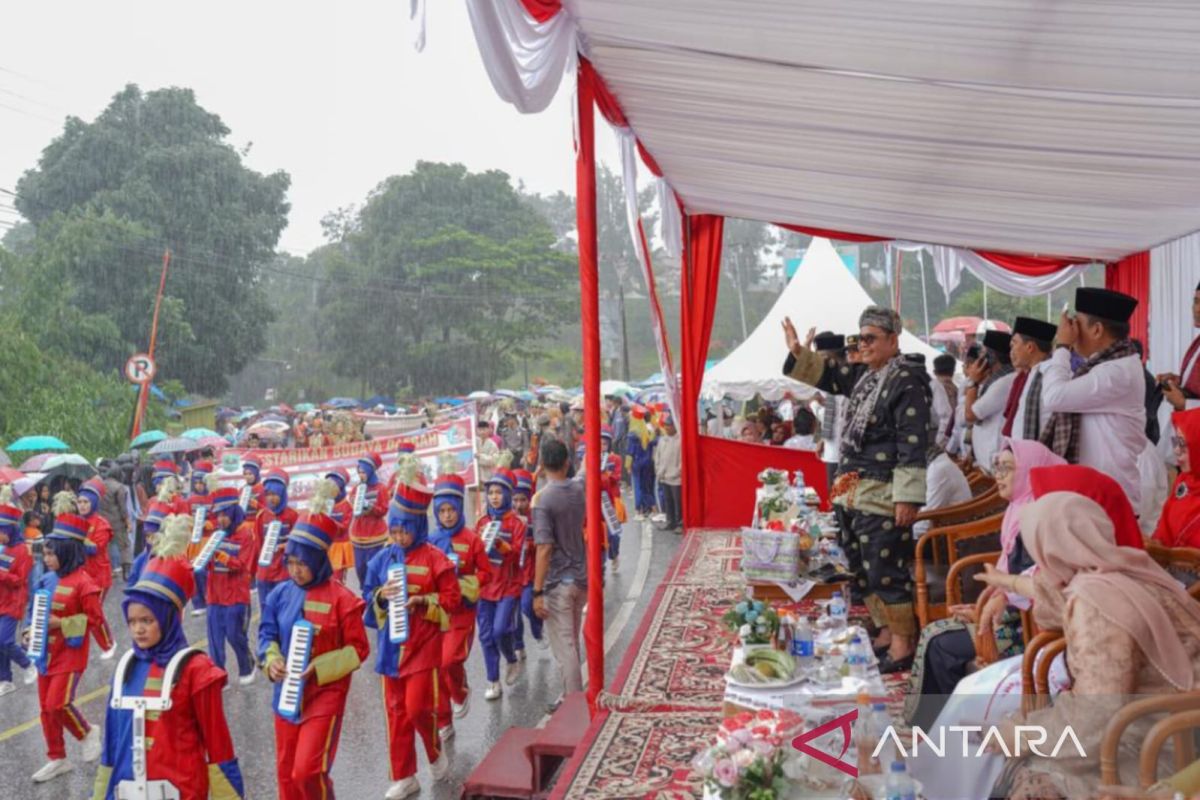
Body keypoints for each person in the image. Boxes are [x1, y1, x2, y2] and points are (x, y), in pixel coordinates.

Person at [979, 492, 1200, 800]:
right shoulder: (1124, 571)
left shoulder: (1096, 602)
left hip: (1155, 746)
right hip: (1174, 730)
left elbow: (1096, 714)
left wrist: (1026, 734)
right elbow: (1058, 602)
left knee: (1029, 777)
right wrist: (1009, 583)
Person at [782, 306, 931, 673]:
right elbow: (833, 375)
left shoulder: (907, 380)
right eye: (860, 338)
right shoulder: (867, 375)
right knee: (860, 565)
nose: (863, 345)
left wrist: (908, 498)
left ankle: (902, 643)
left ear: (893, 341)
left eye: (871, 338)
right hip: (852, 489)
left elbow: (913, 442)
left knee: (884, 567)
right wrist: (801, 355)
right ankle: (883, 631)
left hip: (882, 493)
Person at [905, 439, 1065, 727]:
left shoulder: (1043, 518)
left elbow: (1039, 583)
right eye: (997, 467)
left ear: (1031, 471)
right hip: (1010, 617)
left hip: (1030, 629)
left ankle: (943, 728)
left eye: (1007, 468)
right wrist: (989, 603)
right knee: (935, 634)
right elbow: (1008, 578)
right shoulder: (1019, 510)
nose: (998, 475)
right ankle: (931, 728)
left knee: (940, 643)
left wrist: (996, 605)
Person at [90, 526, 245, 800]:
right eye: (133, 621)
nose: (138, 630)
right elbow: (112, 742)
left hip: (181, 790)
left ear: (169, 617)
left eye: (147, 621)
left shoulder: (198, 670)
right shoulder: (126, 667)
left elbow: (218, 746)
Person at [259, 503, 369, 800]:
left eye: (302, 564)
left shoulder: (343, 599)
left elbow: (359, 650)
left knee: (307, 771)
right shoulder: (280, 593)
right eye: (291, 562)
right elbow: (266, 634)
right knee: (286, 773)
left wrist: (319, 667)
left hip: (325, 694)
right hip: (285, 693)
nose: (295, 570)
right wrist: (271, 660)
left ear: (319, 561)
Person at [363, 482, 460, 800]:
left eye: (404, 531)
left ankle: (433, 752)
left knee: (418, 709)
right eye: (394, 531)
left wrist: (423, 602)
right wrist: (380, 596)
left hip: (422, 647)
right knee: (396, 713)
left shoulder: (435, 558)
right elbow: (367, 596)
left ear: (418, 527)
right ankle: (405, 775)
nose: (398, 537)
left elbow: (452, 600)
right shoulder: (381, 560)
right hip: (390, 650)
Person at [28, 494, 113, 783]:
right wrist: (31, 628)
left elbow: (95, 620)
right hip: (44, 652)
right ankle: (57, 758)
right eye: (46, 554)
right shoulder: (47, 579)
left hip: (70, 654)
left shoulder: (84, 583)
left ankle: (88, 732)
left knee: (58, 704)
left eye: (52, 554)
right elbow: (37, 608)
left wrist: (62, 623)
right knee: (45, 710)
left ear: (67, 552)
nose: (47, 559)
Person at [1040, 286, 1146, 508]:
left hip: (1109, 501)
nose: (1071, 331)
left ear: (1097, 330)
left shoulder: (1118, 372)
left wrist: (1062, 346)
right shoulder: (1106, 365)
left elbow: (1054, 397)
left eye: (1076, 324)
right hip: (1093, 496)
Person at [430, 474, 491, 740]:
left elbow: (486, 573)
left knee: (449, 660)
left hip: (462, 612)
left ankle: (461, 690)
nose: (447, 516)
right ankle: (443, 720)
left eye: (451, 510)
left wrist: (465, 585)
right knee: (435, 666)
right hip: (436, 612)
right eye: (441, 511)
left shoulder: (472, 539)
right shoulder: (430, 541)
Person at [531, 439, 587, 710]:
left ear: (542, 465)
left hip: (558, 583)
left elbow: (543, 548)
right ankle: (571, 696)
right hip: (581, 577)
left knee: (565, 648)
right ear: (566, 462)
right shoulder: (578, 489)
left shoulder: (543, 501)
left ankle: (575, 707)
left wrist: (537, 591)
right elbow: (586, 472)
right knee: (572, 641)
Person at [474, 467, 527, 700]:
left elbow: (517, 555)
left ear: (507, 495)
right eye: (491, 492)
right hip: (485, 586)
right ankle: (493, 680)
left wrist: (499, 544)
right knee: (485, 635)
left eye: (499, 492)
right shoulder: (481, 522)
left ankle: (511, 659)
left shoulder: (517, 524)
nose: (494, 496)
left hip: (508, 586)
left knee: (499, 631)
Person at [202, 487, 257, 688]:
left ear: (234, 512)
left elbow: (242, 565)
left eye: (225, 514)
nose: (221, 519)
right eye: (218, 515)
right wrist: (205, 556)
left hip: (236, 596)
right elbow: (205, 565)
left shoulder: (246, 534)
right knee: (215, 639)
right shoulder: (216, 535)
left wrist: (221, 555)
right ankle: (219, 675)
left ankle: (247, 665)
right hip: (215, 595)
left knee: (235, 635)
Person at [963, 330, 1016, 474]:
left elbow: (970, 415)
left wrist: (972, 382)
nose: (980, 358)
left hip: (994, 462)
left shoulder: (1004, 382)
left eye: (984, 353)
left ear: (991, 357)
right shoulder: (996, 380)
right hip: (988, 461)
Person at [0, 488, 35, 695]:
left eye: (1, 532)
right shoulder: (4, 550)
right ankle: (5, 679)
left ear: (10, 531)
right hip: (1, 600)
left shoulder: (22, 551)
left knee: (4, 640)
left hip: (14, 602)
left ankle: (28, 664)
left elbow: (19, 581)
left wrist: (1, 575)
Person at [509, 468, 543, 659]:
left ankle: (538, 630)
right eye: (515, 500)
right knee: (513, 613)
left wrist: (527, 542)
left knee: (527, 606)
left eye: (523, 500)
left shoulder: (535, 516)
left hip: (529, 571)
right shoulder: (507, 518)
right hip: (512, 573)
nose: (519, 504)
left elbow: (542, 543)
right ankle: (519, 644)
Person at [1005, 316, 1057, 441]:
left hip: (1040, 455)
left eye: (1014, 344)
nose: (1011, 351)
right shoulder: (1031, 374)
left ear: (1030, 347)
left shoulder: (1051, 373)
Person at [1155, 409, 1200, 548]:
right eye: (1176, 442)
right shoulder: (1185, 479)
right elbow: (1163, 529)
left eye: (1184, 445)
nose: (1176, 450)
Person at [77, 479, 117, 633]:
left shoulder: (102, 524)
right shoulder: (77, 520)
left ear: (93, 503)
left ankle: (108, 643)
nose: (82, 505)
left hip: (98, 576)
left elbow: (94, 549)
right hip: (81, 575)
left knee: (94, 612)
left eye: (86, 502)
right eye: (79, 501)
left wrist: (76, 536)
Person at [912, 441, 972, 539]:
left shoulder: (937, 469)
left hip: (950, 538)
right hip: (945, 529)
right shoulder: (936, 462)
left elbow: (925, 522)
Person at [255, 469, 298, 603]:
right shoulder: (262, 516)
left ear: (283, 494)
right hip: (265, 572)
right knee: (266, 606)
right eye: (268, 494)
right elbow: (258, 544)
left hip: (285, 570)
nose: (271, 498)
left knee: (284, 606)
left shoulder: (293, 516)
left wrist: (287, 546)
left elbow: (298, 544)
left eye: (275, 494)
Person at [350, 453, 391, 588]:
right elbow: (351, 504)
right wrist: (354, 502)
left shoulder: (381, 489)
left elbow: (384, 510)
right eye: (359, 472)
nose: (361, 475)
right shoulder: (356, 488)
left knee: (375, 567)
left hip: (375, 536)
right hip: (358, 535)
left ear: (370, 471)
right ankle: (365, 592)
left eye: (363, 472)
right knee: (360, 568)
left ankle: (377, 593)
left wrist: (370, 506)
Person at [186, 462, 216, 618]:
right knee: (193, 572)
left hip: (209, 539)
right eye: (196, 483)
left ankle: (210, 599)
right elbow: (184, 517)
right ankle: (198, 603)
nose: (198, 486)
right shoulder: (190, 500)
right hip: (194, 542)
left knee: (206, 571)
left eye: (201, 483)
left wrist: (211, 523)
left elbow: (221, 518)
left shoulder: (214, 497)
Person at [99, 464, 133, 581]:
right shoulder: (119, 487)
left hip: (103, 521)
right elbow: (123, 508)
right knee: (124, 545)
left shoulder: (100, 486)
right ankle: (127, 571)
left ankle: (108, 571)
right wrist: (128, 522)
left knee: (105, 547)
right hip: (117, 522)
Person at [126, 500, 169, 591]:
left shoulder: (170, 558)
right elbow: (132, 583)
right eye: (147, 536)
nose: (149, 540)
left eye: (153, 536)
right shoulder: (141, 559)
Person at [322, 469, 355, 583]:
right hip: (326, 545)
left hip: (340, 547)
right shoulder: (325, 504)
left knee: (337, 579)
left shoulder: (347, 506)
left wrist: (330, 521)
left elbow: (344, 527)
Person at [627, 405, 658, 518]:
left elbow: (630, 451)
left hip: (637, 462)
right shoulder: (650, 430)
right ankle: (650, 508)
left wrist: (628, 466)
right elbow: (655, 443)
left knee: (637, 486)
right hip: (649, 461)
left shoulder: (633, 432)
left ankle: (639, 510)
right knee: (647, 486)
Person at [654, 414, 683, 533]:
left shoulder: (680, 440)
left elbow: (682, 460)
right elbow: (658, 456)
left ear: (675, 426)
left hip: (676, 477)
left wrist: (677, 472)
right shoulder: (662, 439)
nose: (667, 428)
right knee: (668, 500)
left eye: (669, 426)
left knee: (678, 501)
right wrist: (658, 470)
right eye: (665, 426)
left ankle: (680, 523)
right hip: (663, 475)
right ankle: (670, 521)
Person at [930, 353, 959, 450]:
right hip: (954, 437)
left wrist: (940, 444)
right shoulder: (956, 388)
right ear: (953, 371)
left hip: (940, 437)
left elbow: (946, 417)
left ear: (934, 371)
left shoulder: (935, 386)